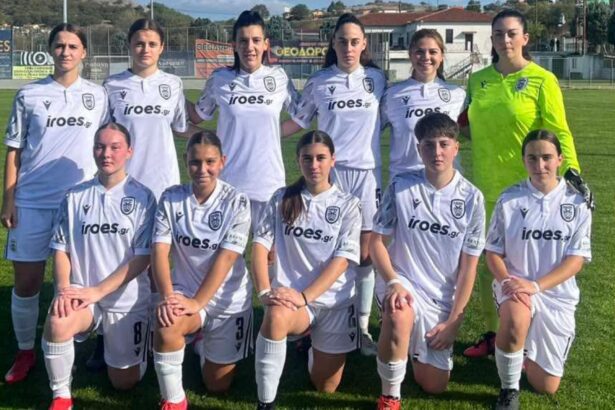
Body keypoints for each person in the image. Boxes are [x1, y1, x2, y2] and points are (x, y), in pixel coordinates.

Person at [461, 9, 593, 359]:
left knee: (529, 264)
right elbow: (466, 126)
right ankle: (496, 335)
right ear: (491, 39)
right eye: (498, 34)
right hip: (487, 188)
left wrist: (573, 174)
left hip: (530, 189)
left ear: (525, 38)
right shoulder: (478, 80)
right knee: (492, 265)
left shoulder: (542, 79)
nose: (505, 40)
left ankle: (528, 336)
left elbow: (559, 131)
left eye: (511, 33)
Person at [2, 23, 108, 384]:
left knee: (76, 285)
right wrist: (9, 199)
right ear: (51, 50)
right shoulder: (29, 95)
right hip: (32, 201)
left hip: (80, 206)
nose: (66, 52)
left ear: (84, 53)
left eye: (73, 46)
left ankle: (72, 348)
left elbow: (108, 145)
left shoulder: (98, 95)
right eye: (60, 45)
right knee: (27, 283)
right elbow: (14, 152)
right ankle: (25, 351)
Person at [284, 13, 386, 355]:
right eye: (342, 41)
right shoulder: (319, 81)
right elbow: (298, 121)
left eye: (355, 41)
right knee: (326, 247)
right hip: (330, 175)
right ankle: (312, 320)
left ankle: (361, 328)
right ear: (333, 43)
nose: (348, 47)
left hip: (367, 175)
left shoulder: (377, 79)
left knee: (365, 254)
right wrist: (258, 135)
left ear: (364, 44)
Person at [370, 113, 485, 410]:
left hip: (440, 297)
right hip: (403, 281)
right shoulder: (401, 186)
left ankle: (404, 343)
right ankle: (390, 396)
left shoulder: (472, 198)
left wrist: (454, 322)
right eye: (429, 145)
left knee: (434, 385)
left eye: (444, 144)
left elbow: (469, 268)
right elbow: (376, 243)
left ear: (456, 148)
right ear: (418, 149)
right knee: (399, 311)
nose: (437, 152)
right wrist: (393, 281)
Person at [42, 123, 156, 410]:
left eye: (115, 147)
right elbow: (61, 249)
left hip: (125, 299)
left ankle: (140, 342)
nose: (106, 154)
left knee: (124, 383)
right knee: (58, 320)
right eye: (100, 147)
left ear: (129, 152)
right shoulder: (74, 196)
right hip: (83, 293)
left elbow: (143, 258)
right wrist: (64, 289)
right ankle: (61, 396)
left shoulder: (143, 197)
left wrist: (98, 291)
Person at [252, 131, 361, 409]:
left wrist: (305, 296)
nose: (314, 165)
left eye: (321, 158)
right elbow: (260, 246)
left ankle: (310, 344)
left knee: (325, 387)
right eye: (307, 158)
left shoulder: (348, 205)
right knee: (276, 315)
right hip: (293, 301)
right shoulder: (282, 198)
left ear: (333, 160)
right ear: (298, 161)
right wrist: (264, 292)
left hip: (334, 303)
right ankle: (265, 402)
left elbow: (342, 261)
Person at [486, 130, 592, 409]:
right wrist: (507, 281)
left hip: (556, 295)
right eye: (532, 158)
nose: (540, 165)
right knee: (516, 316)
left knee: (546, 386)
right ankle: (509, 389)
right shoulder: (509, 199)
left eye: (547, 157)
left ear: (560, 159)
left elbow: (576, 260)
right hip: (515, 285)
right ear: (524, 160)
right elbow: (493, 252)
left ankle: (519, 350)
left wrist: (536, 286)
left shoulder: (577, 203)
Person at [152, 131, 253, 410]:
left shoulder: (237, 201)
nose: (202, 169)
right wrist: (168, 297)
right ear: (186, 161)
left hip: (227, 300)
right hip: (185, 292)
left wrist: (198, 303)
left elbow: (226, 258)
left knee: (217, 385)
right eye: (195, 162)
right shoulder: (171, 198)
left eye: (210, 162)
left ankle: (199, 341)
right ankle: (174, 400)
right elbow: (159, 251)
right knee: (167, 325)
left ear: (222, 161)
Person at [188, 10, 298, 230]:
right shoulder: (219, 79)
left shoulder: (279, 77)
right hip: (228, 184)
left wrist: (271, 134)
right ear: (234, 46)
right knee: (225, 251)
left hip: (268, 184)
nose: (250, 47)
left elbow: (302, 116)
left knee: (267, 251)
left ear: (266, 44)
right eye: (243, 41)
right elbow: (197, 116)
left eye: (256, 40)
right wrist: (171, 95)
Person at [104, 18, 187, 200]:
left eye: (152, 44)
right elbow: (103, 136)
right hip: (124, 182)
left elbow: (180, 128)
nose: (146, 50)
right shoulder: (112, 84)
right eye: (139, 44)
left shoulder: (173, 83)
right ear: (129, 45)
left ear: (161, 47)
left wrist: (218, 135)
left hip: (165, 182)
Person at [381, 29, 465, 177]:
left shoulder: (458, 94)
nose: (426, 57)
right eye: (420, 52)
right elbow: (368, 132)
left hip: (445, 182)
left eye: (433, 52)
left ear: (441, 56)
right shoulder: (392, 95)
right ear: (410, 55)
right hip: (405, 180)